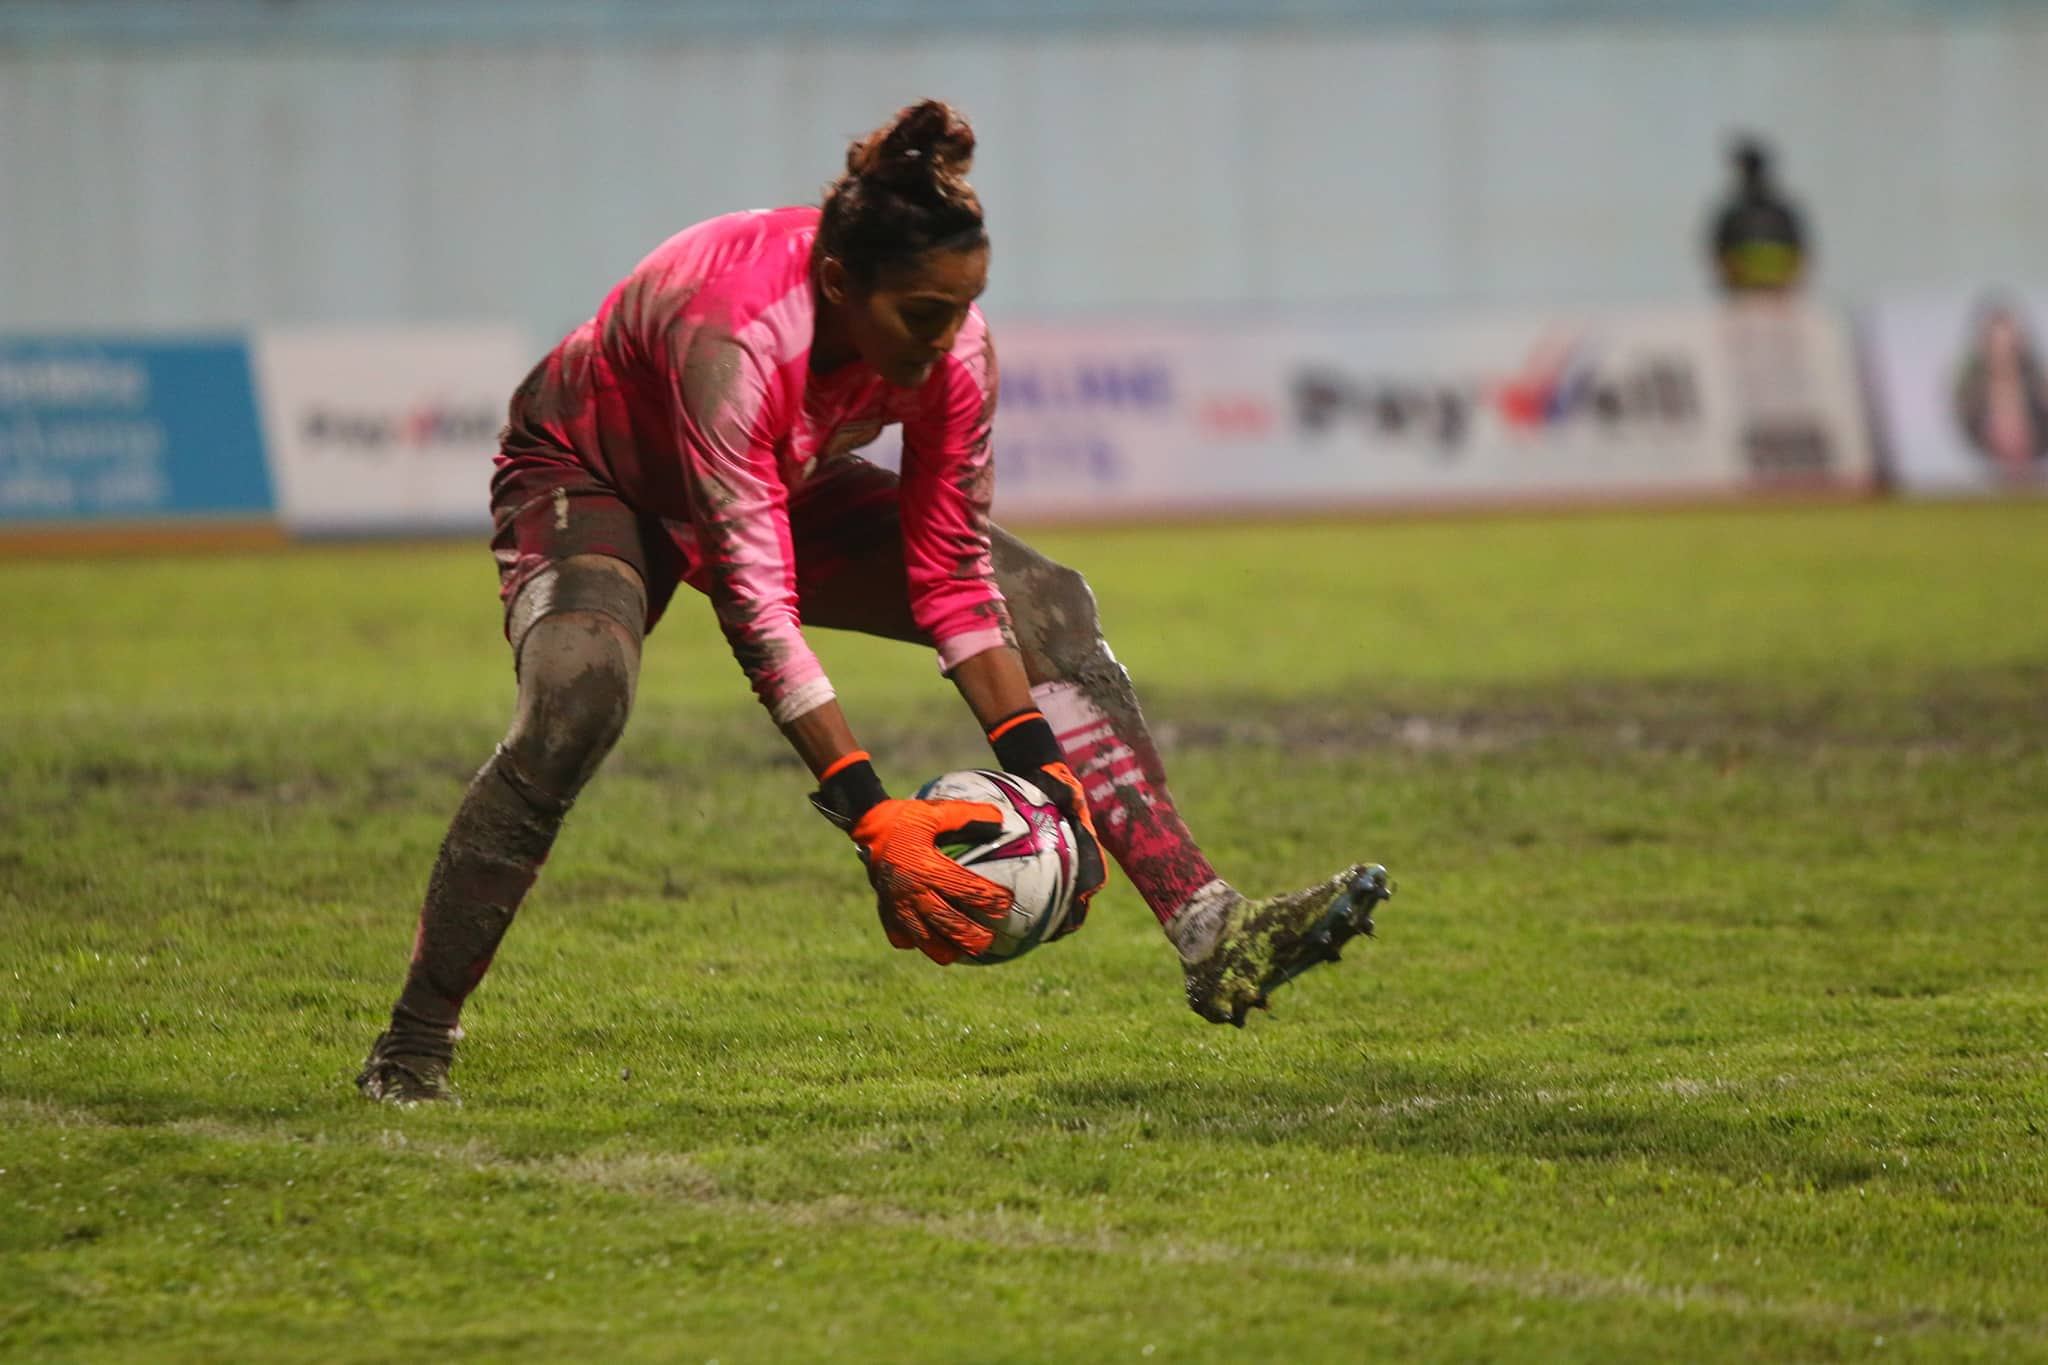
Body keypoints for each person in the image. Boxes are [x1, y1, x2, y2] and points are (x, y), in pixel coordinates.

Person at [356, 100, 1391, 1105]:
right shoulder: (736, 337)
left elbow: (951, 576)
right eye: (925, 315)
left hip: (778, 480)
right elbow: (755, 609)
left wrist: (1042, 768)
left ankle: (1210, 929)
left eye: (964, 308)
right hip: (593, 475)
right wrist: (869, 813)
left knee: (1048, 605)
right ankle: (412, 1044)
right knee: (577, 699)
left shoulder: (954, 352)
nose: (948, 340)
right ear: (840, 282)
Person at [1953, 297, 2048, 479]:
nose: (2003, 350)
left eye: (2008, 343)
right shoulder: (1971, 394)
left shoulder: (2036, 385)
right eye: (1997, 342)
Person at [1708, 135, 1808, 297]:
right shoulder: (1783, 210)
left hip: (1744, 280)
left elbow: (1719, 249)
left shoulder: (1734, 211)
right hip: (1780, 279)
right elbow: (1800, 249)